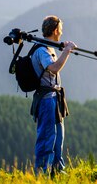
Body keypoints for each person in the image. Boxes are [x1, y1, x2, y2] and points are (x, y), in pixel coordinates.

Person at [30, 15, 77, 176]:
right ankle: (42, 173)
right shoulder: (42, 50)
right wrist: (67, 51)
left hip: (54, 99)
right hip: (46, 100)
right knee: (47, 137)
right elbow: (54, 67)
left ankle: (57, 169)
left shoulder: (47, 47)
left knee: (58, 137)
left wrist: (62, 47)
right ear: (56, 30)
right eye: (61, 30)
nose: (62, 33)